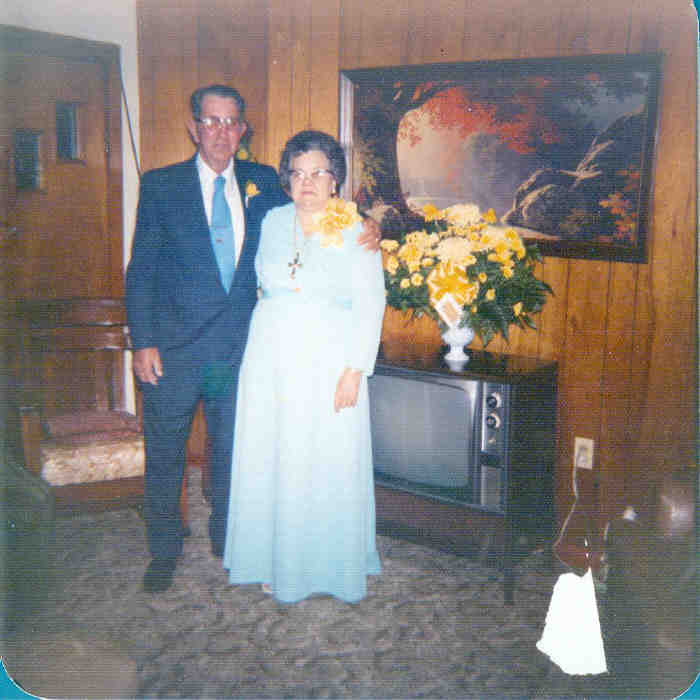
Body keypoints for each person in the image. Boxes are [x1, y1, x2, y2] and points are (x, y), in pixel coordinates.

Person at [126, 86, 379, 594]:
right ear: (194, 127)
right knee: (166, 451)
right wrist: (143, 341)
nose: (221, 132)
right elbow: (141, 270)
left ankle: (230, 542)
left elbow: (320, 206)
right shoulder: (161, 185)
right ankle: (164, 550)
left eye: (231, 122)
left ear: (243, 130)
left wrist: (368, 223)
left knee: (232, 452)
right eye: (211, 121)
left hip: (236, 353)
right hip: (174, 351)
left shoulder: (264, 183)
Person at [223, 130, 386, 603]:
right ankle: (275, 560)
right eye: (297, 174)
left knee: (325, 458)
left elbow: (371, 302)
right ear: (286, 180)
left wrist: (355, 370)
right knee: (275, 455)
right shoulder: (271, 220)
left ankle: (324, 568)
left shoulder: (357, 228)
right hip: (270, 355)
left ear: (336, 180)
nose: (307, 182)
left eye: (318, 173)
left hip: (329, 359)